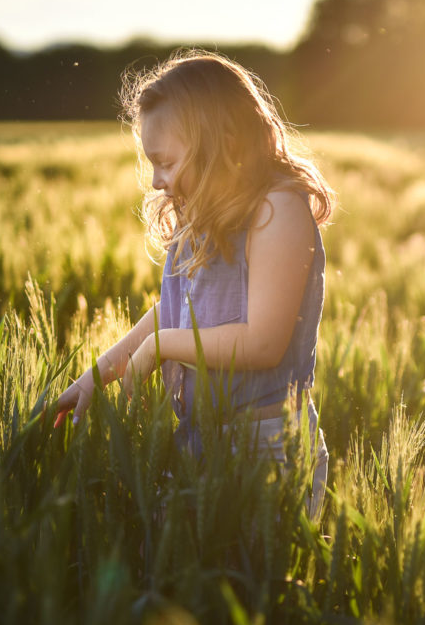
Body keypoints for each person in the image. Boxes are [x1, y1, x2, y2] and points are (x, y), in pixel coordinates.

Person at [53, 49, 335, 518]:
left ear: (222, 142)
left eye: (165, 162)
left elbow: (262, 342)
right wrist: (97, 374)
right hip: (195, 439)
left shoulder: (277, 209)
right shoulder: (202, 214)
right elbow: (178, 311)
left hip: (267, 447)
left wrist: (163, 347)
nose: (158, 181)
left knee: (253, 590)